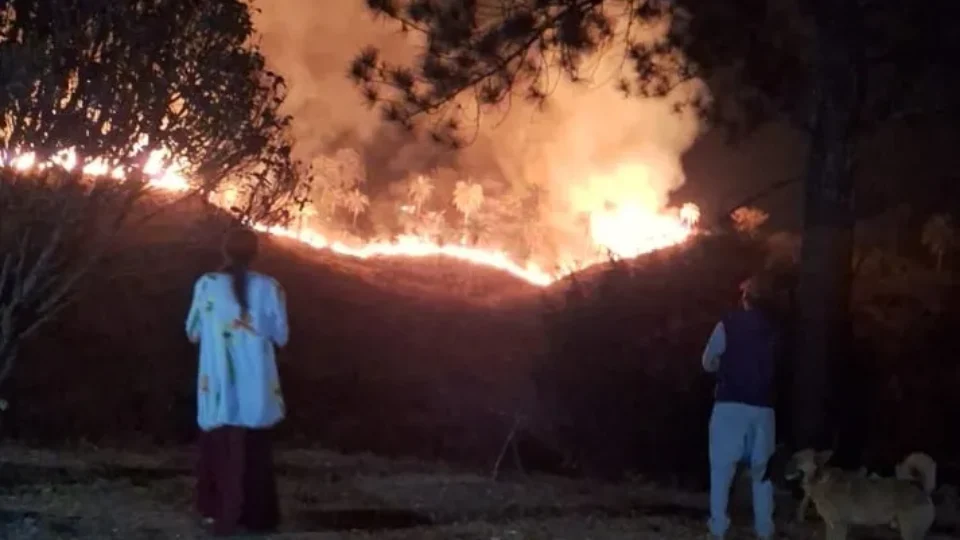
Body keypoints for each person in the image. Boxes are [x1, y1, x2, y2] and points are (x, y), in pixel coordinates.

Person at [185, 227, 289, 536]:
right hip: (257, 385)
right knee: (255, 449)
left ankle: (217, 511)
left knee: (219, 447)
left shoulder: (207, 286)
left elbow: (192, 331)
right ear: (256, 253)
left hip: (217, 385)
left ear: (224, 251)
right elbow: (281, 335)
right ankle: (257, 516)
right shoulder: (271, 288)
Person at [701, 276, 779, 540]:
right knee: (762, 473)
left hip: (730, 406)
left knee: (722, 470)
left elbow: (708, 360)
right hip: (764, 410)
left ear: (744, 298)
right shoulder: (775, 329)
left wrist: (722, 370)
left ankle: (719, 527)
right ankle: (765, 530)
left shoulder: (728, 324)